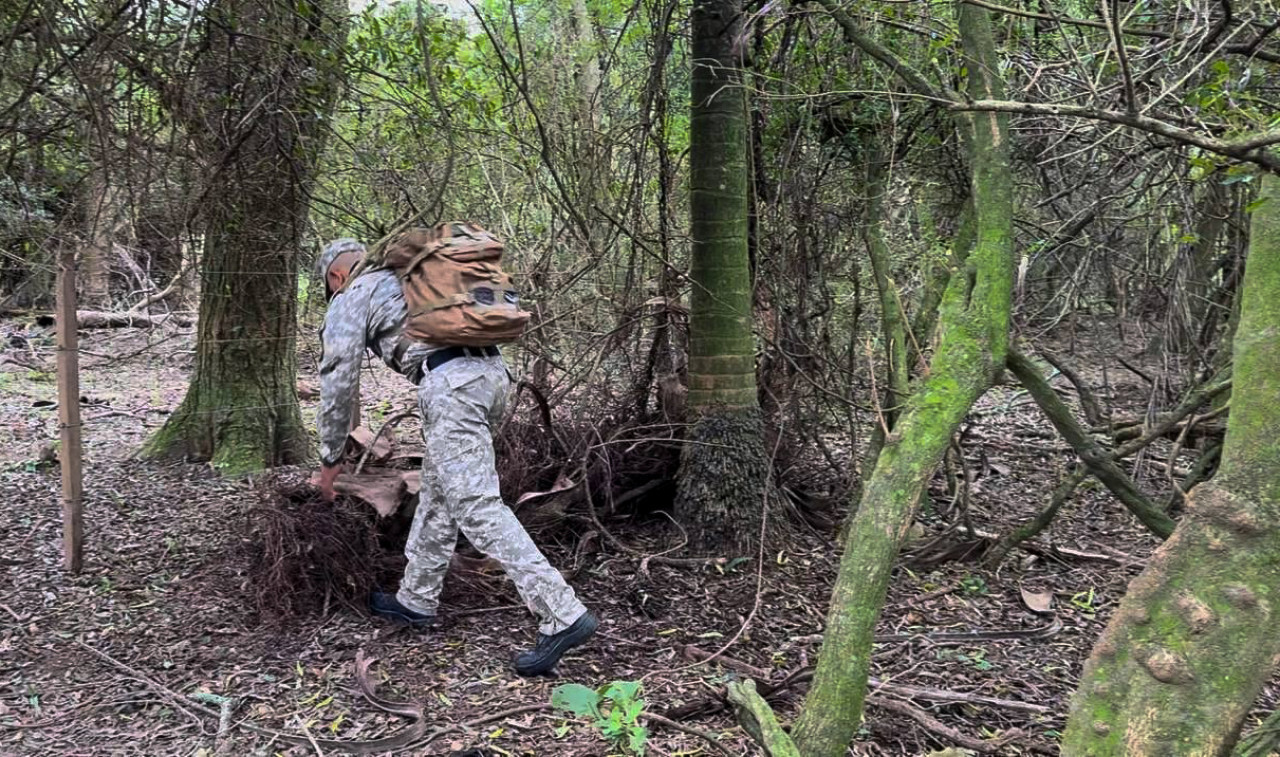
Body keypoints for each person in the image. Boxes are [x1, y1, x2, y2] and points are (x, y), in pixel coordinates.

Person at [312, 236, 597, 676]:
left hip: (452, 386)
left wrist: (330, 461)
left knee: (476, 505)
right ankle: (416, 599)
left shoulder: (353, 293)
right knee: (441, 492)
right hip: (489, 376)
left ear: (335, 276)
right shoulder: (405, 277)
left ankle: (562, 614)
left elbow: (337, 379)